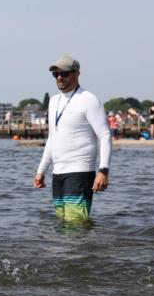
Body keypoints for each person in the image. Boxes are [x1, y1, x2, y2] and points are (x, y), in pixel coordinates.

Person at [34, 55, 111, 222]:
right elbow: (52, 139)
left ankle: (83, 248)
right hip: (58, 173)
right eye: (56, 74)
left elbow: (104, 136)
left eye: (64, 74)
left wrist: (103, 171)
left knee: (75, 225)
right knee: (62, 224)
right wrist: (41, 170)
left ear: (77, 74)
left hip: (79, 171)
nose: (60, 78)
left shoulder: (88, 99)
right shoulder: (53, 101)